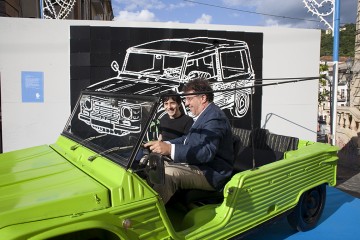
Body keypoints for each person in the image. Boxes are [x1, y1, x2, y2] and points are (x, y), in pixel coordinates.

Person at [144, 78, 234, 204]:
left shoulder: (214, 118)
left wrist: (170, 149)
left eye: (189, 99)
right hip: (199, 166)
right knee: (152, 163)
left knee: (169, 175)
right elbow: (188, 138)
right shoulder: (205, 115)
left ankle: (151, 217)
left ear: (203, 98)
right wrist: (165, 144)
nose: (186, 103)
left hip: (211, 174)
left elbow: (206, 152)